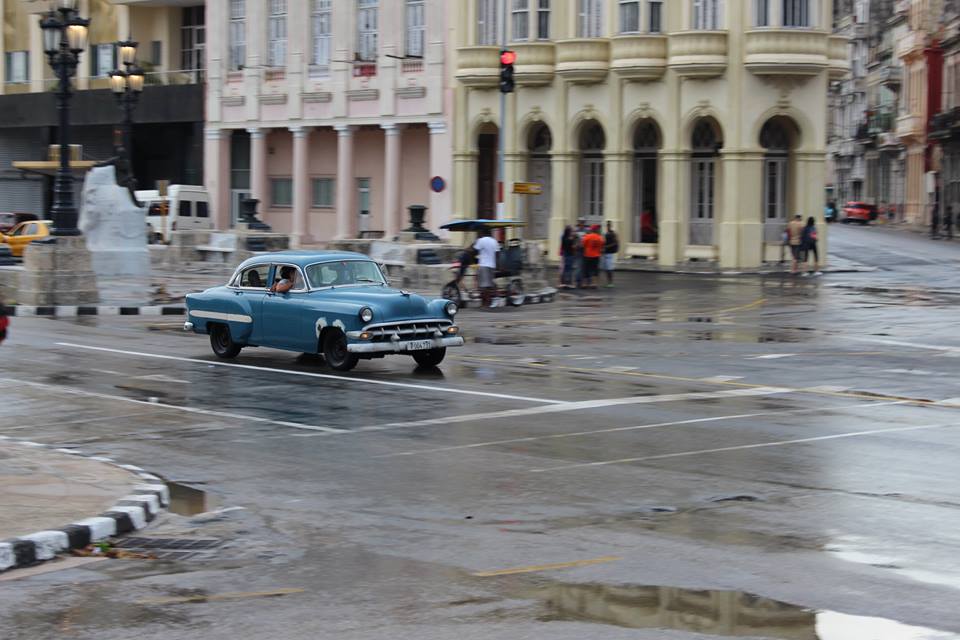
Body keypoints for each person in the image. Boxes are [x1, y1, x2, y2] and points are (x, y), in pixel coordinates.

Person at [474, 226, 499, 308]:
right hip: (492, 265)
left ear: (483, 233)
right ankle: (489, 301)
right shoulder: (494, 241)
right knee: (489, 284)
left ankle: (486, 303)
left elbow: (475, 250)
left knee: (483, 285)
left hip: (483, 264)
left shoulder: (481, 240)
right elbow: (497, 254)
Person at [581, 224, 605, 289]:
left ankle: (585, 284)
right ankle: (594, 283)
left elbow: (583, 245)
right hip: (596, 256)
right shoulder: (600, 237)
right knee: (595, 270)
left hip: (587, 255)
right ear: (596, 230)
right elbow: (602, 246)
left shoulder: (587, 236)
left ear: (591, 229)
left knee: (586, 269)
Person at [602, 221, 619, 288]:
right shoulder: (606, 233)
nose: (607, 226)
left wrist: (607, 246)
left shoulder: (612, 233)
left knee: (609, 268)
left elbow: (615, 242)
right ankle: (608, 282)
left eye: (608, 225)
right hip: (606, 252)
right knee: (607, 268)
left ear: (610, 226)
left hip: (610, 253)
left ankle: (610, 282)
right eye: (607, 225)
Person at [574, 218, 588, 288]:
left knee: (583, 267)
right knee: (579, 266)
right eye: (581, 222)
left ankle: (581, 281)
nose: (582, 224)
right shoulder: (575, 231)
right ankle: (577, 281)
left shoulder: (586, 231)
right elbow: (573, 240)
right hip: (578, 250)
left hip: (585, 250)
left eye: (583, 222)